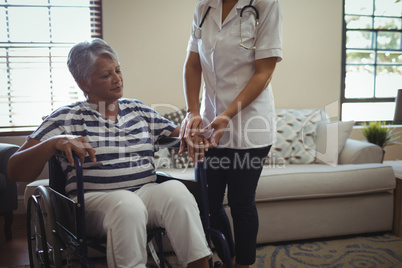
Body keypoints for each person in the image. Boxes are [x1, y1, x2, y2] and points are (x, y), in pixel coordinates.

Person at [8, 38, 211, 268]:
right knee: (126, 205)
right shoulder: (66, 117)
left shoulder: (137, 109)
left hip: (144, 191)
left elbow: (178, 133)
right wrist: (53, 142)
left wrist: (192, 134)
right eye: (106, 75)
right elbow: (15, 170)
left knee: (177, 192)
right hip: (92, 203)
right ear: (84, 83)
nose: (117, 79)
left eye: (118, 70)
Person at [180, 0, 283, 267]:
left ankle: (243, 264)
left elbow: (264, 72)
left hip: (250, 124)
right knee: (207, 204)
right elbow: (193, 64)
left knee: (241, 203)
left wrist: (227, 115)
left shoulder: (265, 4)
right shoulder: (204, 7)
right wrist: (193, 112)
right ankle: (230, 258)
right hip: (209, 125)